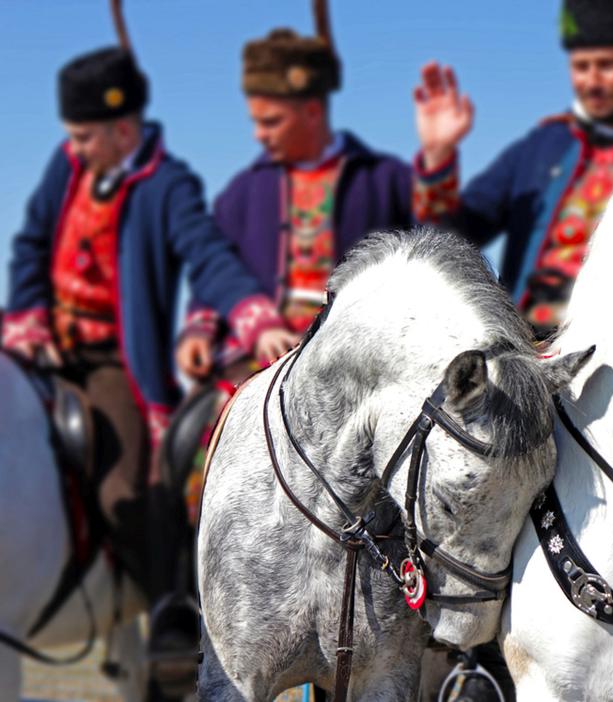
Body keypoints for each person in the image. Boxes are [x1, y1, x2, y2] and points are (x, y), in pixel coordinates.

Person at [2, 44, 290, 693]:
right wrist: (25, 317)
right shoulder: (67, 164)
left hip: (109, 365)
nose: (73, 146)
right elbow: (27, 246)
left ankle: (168, 611)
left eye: (83, 135)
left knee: (125, 492)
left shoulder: (170, 185)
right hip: (38, 345)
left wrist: (251, 314)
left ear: (123, 129)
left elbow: (208, 256)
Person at [175, 0, 414, 382]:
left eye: (271, 122)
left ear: (313, 112)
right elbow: (215, 271)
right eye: (255, 122)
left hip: (361, 365)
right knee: (189, 440)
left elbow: (439, 246)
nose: (258, 135)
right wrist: (198, 330)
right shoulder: (242, 192)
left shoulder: (385, 181)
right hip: (256, 363)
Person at [413, 0, 613, 338]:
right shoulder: (542, 146)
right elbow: (448, 239)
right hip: (520, 356)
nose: (591, 81)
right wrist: (438, 156)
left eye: (607, 65)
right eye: (581, 66)